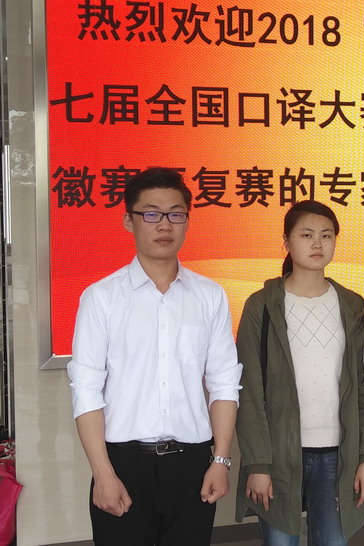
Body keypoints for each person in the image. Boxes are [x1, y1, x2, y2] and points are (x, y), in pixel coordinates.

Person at [68, 167, 242, 545]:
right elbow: (86, 390)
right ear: (128, 221)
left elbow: (224, 383)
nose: (164, 224)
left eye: (175, 214)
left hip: (193, 464)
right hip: (123, 464)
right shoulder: (101, 297)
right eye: (151, 213)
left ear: (187, 221)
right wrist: (103, 474)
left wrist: (221, 460)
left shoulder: (209, 296)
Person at [234, 200, 364, 545]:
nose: (318, 243)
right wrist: (258, 464)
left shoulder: (352, 306)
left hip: (338, 455)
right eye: (306, 235)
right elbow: (249, 390)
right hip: (279, 454)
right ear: (286, 242)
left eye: (326, 235)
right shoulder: (262, 305)